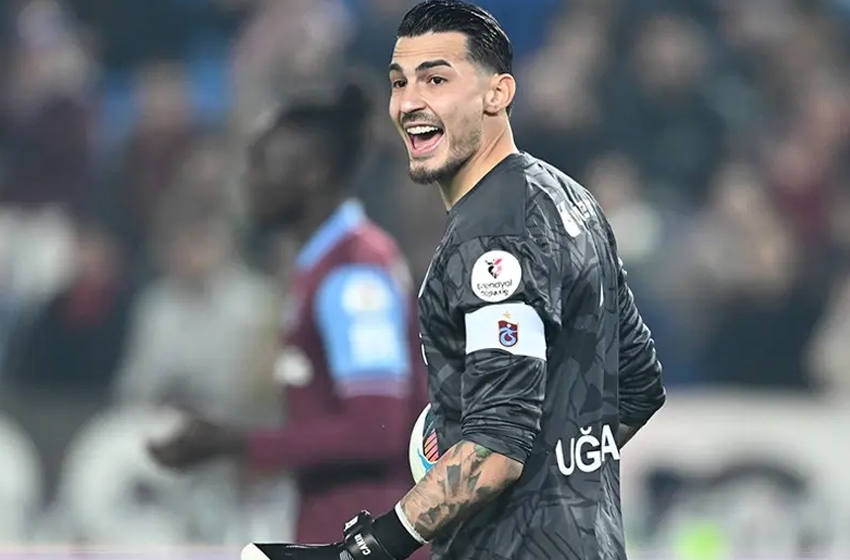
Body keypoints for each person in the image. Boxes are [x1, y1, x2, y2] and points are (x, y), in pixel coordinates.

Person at [243, 1, 666, 559]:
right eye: (399, 83)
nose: (409, 103)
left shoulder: (490, 234)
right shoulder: (571, 200)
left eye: (436, 80)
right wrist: (546, 468)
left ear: (497, 94)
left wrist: (362, 551)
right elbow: (637, 387)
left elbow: (494, 448)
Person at [146, 79, 429, 554]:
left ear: (313, 173)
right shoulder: (322, 266)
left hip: (369, 530)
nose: (249, 181)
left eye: (263, 163)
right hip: (335, 525)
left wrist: (236, 444)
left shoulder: (354, 275)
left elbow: (377, 429)